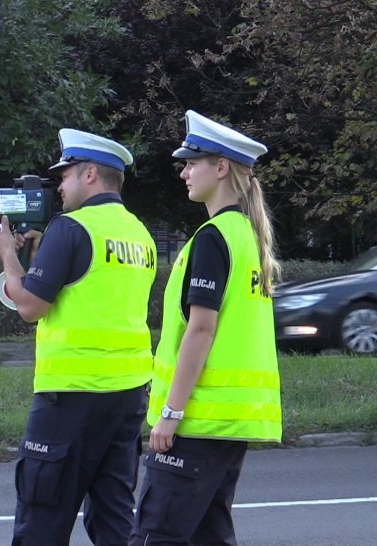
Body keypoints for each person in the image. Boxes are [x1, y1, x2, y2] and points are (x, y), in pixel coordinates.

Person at [0, 129, 157, 546]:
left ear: (90, 174)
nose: (58, 187)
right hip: (127, 397)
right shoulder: (140, 234)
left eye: (64, 176)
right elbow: (88, 293)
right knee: (114, 517)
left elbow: (29, 306)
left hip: (69, 399)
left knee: (42, 519)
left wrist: (7, 254)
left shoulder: (71, 228)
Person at [129, 111, 282, 546]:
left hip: (196, 423)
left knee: (154, 536)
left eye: (191, 163)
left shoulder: (214, 237)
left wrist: (170, 415)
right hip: (229, 425)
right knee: (209, 537)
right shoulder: (249, 236)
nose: (183, 172)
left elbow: (201, 330)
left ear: (221, 168)